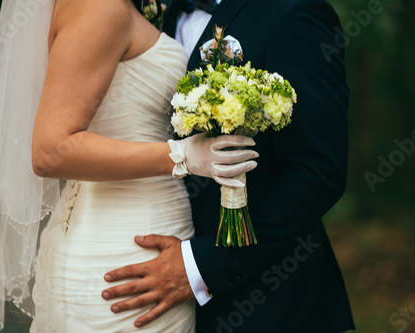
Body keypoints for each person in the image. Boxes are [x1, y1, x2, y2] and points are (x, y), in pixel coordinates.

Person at [0, 0, 258, 332]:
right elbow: (50, 151)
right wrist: (182, 155)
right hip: (126, 251)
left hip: (121, 238)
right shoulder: (101, 7)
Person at [102, 0, 356, 332]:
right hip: (160, 280)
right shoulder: (160, 12)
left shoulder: (294, 11)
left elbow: (319, 171)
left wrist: (200, 267)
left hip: (270, 301)